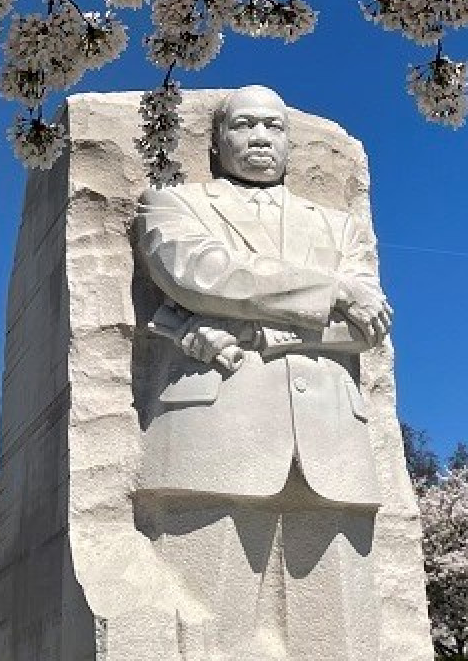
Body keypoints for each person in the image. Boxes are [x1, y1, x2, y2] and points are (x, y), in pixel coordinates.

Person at [132, 85, 394, 660]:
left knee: (343, 640)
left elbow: (369, 328)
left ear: (290, 142)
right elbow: (200, 274)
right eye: (244, 125)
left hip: (332, 444)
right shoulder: (174, 205)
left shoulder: (340, 228)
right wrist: (331, 292)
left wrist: (258, 328)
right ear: (217, 140)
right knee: (205, 632)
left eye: (273, 127)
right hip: (216, 431)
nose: (259, 137)